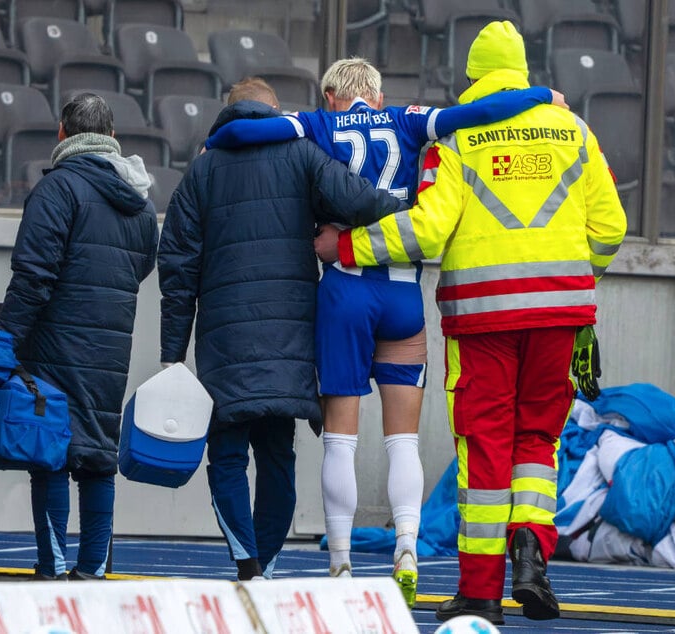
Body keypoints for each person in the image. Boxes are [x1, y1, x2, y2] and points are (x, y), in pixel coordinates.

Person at [206, 57, 563, 606]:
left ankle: (341, 562)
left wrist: (218, 140)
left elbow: (247, 128)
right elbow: (482, 112)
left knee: (341, 440)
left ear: (331, 95)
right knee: (403, 441)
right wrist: (541, 96)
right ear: (376, 93)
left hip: (344, 290)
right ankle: (407, 549)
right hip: (402, 294)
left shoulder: (318, 124)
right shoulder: (407, 119)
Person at [314, 21, 626, 624]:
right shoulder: (574, 130)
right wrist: (574, 287)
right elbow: (610, 229)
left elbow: (425, 228)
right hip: (561, 314)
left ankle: (481, 591)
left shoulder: (459, 134)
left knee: (484, 446)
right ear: (525, 72)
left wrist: (346, 249)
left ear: (475, 77)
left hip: (483, 316)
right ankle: (532, 547)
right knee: (538, 439)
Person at [157, 78, 404, 582]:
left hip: (224, 344)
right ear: (277, 113)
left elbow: (177, 269)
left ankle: (246, 560)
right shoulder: (302, 154)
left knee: (226, 456)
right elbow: (357, 199)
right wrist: (414, 208)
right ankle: (266, 563)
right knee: (277, 457)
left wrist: (172, 353)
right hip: (290, 343)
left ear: (229, 114)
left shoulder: (202, 169)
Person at [0, 92, 159, 580]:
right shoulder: (141, 204)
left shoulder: (57, 190)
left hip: (51, 345)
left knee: (49, 456)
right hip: (110, 347)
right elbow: (141, 267)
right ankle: (91, 573)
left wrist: (5, 341)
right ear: (111, 138)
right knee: (97, 458)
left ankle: (53, 567)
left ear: (63, 134)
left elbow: (32, 276)